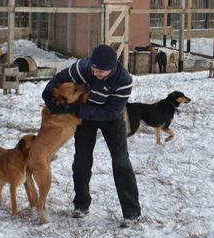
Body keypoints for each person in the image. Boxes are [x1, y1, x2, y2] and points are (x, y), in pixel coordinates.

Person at [42, 44, 141, 227]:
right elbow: (58, 79)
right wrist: (49, 96)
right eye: (94, 69)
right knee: (81, 160)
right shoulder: (82, 68)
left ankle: (132, 212)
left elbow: (111, 112)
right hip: (84, 119)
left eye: (102, 72)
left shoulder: (124, 80)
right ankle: (81, 204)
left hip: (111, 119)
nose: (96, 74)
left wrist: (78, 110)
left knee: (121, 161)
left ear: (113, 67)